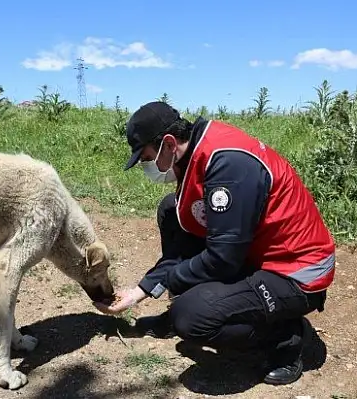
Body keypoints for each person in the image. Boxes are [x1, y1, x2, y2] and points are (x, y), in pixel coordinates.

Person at [94, 101, 335, 385]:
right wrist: (140, 292)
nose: (148, 167)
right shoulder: (192, 153)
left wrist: (175, 281)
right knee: (172, 210)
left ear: (169, 143)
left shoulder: (227, 164)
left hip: (295, 271)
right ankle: (195, 308)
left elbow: (223, 259)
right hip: (254, 253)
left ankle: (285, 338)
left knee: (192, 318)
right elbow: (187, 242)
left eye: (147, 158)